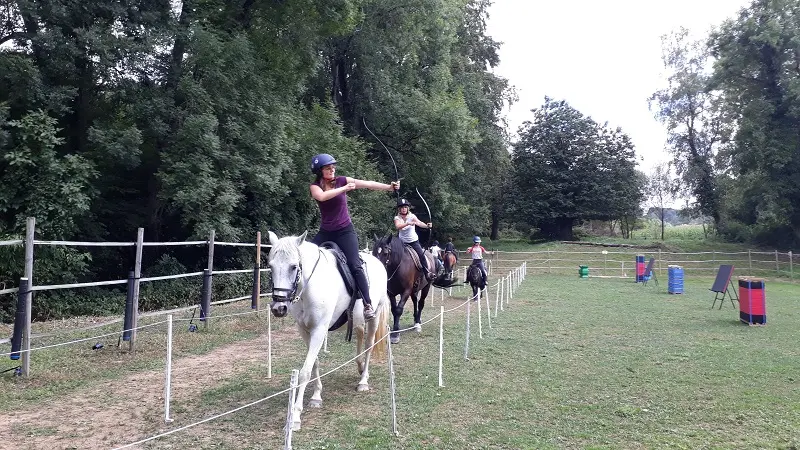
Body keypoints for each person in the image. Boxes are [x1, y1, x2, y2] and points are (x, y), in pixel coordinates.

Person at [309, 153, 399, 320]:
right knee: (308, 257)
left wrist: (388, 187)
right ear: (320, 171)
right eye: (328, 167)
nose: (332, 169)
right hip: (325, 231)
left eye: (333, 166)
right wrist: (343, 189)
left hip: (345, 231)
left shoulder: (342, 180)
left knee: (355, 265)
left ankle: (367, 304)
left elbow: (368, 184)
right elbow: (322, 197)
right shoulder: (315, 187)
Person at [394, 198, 435, 281]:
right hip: (402, 242)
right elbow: (398, 226)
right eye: (402, 207)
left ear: (408, 208)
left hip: (413, 241)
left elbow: (419, 223)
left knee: (421, 255)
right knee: (394, 256)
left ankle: (427, 273)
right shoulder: (397, 218)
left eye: (405, 207)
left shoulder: (412, 216)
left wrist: (427, 226)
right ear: (399, 209)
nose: (404, 209)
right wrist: (407, 223)